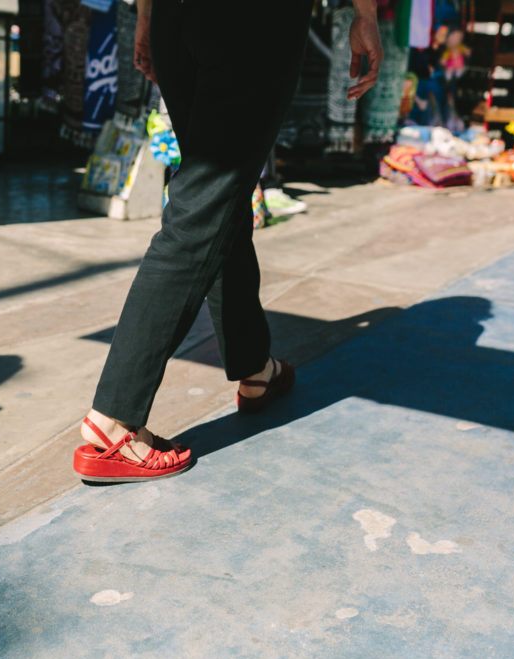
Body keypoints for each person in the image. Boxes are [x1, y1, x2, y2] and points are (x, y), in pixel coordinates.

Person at [73, 0, 383, 483]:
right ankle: (113, 423)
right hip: (253, 20)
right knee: (203, 204)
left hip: (177, 18)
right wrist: (365, 15)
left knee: (221, 197)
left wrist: (149, 17)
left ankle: (254, 367)